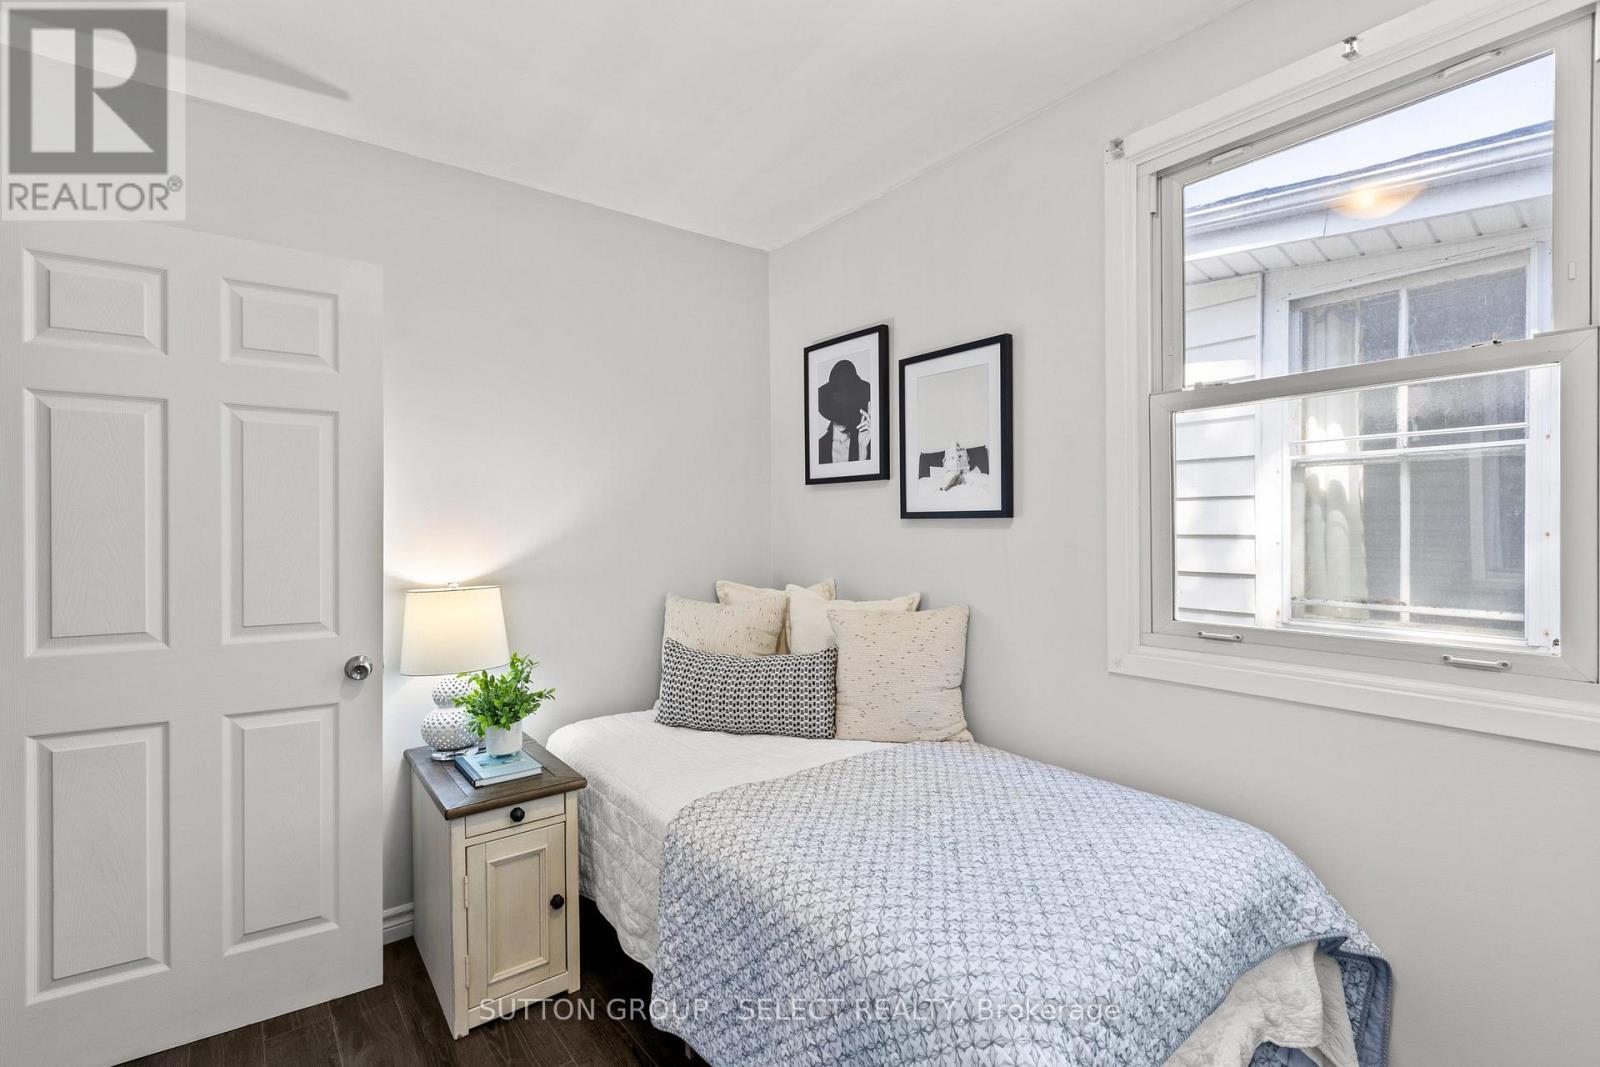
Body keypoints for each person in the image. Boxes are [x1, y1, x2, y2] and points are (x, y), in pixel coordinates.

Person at [816, 359, 871, 463]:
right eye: (837, 409)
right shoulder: (819, 447)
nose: (842, 417)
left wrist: (863, 450)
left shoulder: (867, 443)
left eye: (848, 409)